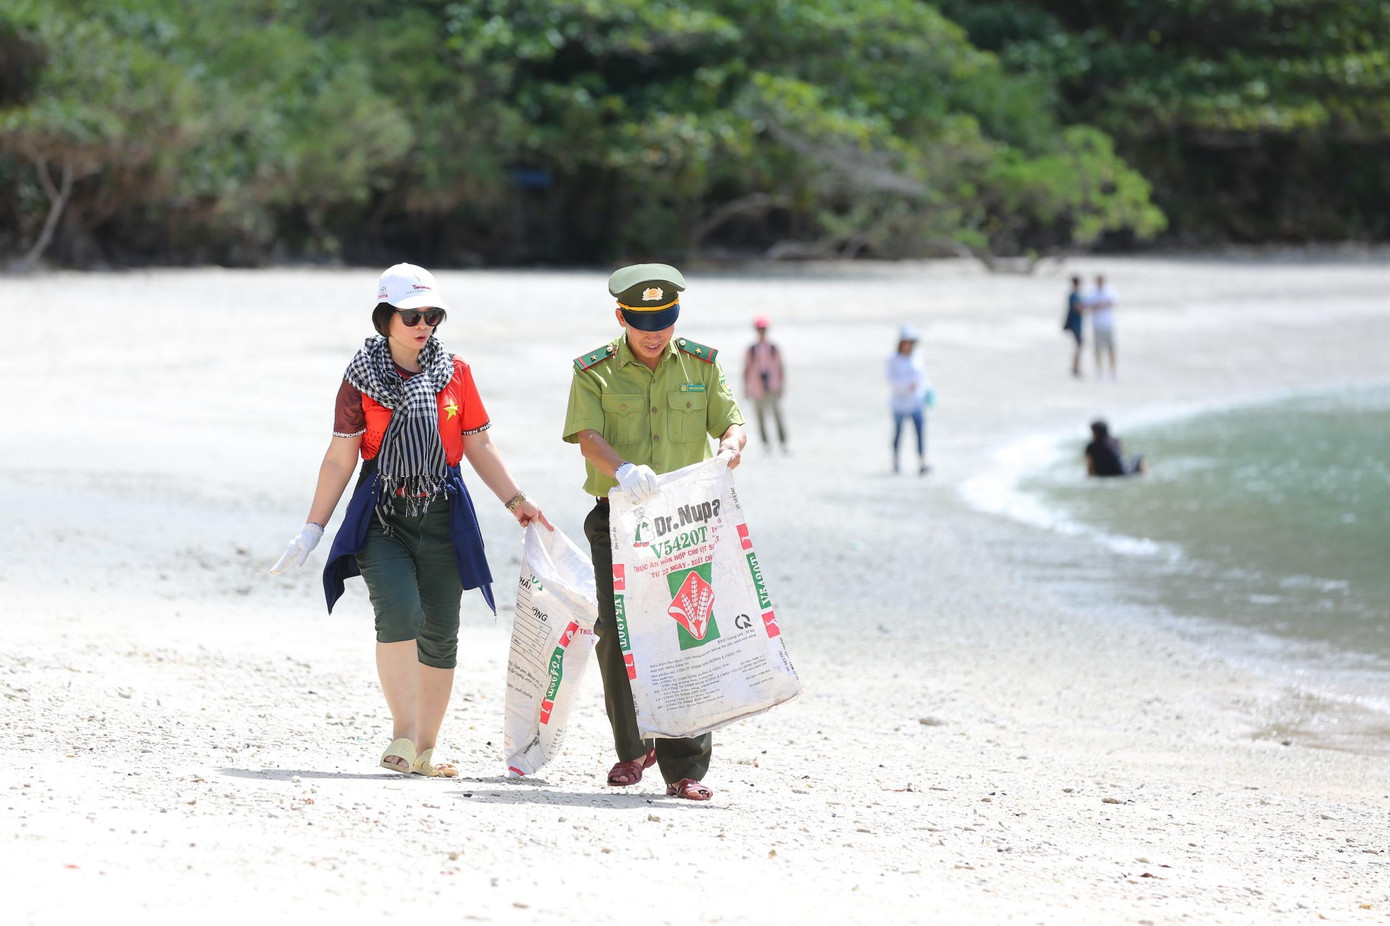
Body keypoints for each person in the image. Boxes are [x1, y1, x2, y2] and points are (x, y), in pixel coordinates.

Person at [269, 263, 551, 778]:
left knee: (441, 632)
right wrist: (311, 529)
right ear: (385, 318)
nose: (424, 324)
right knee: (399, 612)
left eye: (433, 314)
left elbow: (478, 443)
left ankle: (424, 749)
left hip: (443, 511)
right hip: (383, 513)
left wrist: (516, 501)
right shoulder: (360, 378)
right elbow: (340, 457)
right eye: (412, 315)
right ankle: (402, 733)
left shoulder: (456, 372)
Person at [562, 263, 747, 802]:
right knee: (618, 635)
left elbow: (730, 421)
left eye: (664, 320)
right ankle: (633, 746)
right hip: (618, 519)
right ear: (622, 317)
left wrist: (732, 446)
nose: (655, 332)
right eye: (643, 321)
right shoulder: (593, 371)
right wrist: (622, 468)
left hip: (685, 522)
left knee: (690, 630)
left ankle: (685, 767)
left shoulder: (700, 365)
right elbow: (588, 436)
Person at [885, 324, 932, 475]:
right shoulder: (893, 359)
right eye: (907, 342)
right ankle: (896, 463)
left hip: (916, 401)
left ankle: (922, 462)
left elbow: (923, 377)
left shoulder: (917, 357)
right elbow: (890, 379)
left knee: (919, 433)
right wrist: (906, 386)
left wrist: (928, 390)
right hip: (899, 402)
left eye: (912, 342)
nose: (909, 345)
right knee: (899, 433)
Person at [742, 315, 788, 454]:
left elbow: (781, 368)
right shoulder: (752, 350)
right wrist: (746, 388)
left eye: (764, 329)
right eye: (760, 329)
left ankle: (782, 442)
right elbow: (746, 369)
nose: (762, 332)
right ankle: (766, 444)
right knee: (760, 417)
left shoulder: (774, 348)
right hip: (757, 388)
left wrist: (781, 386)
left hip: (772, 387)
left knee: (777, 415)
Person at [1089, 274, 1119, 379]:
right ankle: (1099, 371)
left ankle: (1113, 371)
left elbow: (1113, 303)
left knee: (1111, 349)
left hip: (1108, 324)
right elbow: (1090, 306)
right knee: (1098, 349)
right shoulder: (1092, 292)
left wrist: (1100, 305)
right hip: (1097, 324)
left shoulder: (1110, 290)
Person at [1062, 275, 1085, 377]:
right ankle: (1075, 368)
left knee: (1078, 346)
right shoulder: (1074, 295)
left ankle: (1076, 367)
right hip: (1075, 324)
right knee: (1079, 345)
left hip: (1077, 324)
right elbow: (1077, 308)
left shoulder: (1075, 295)